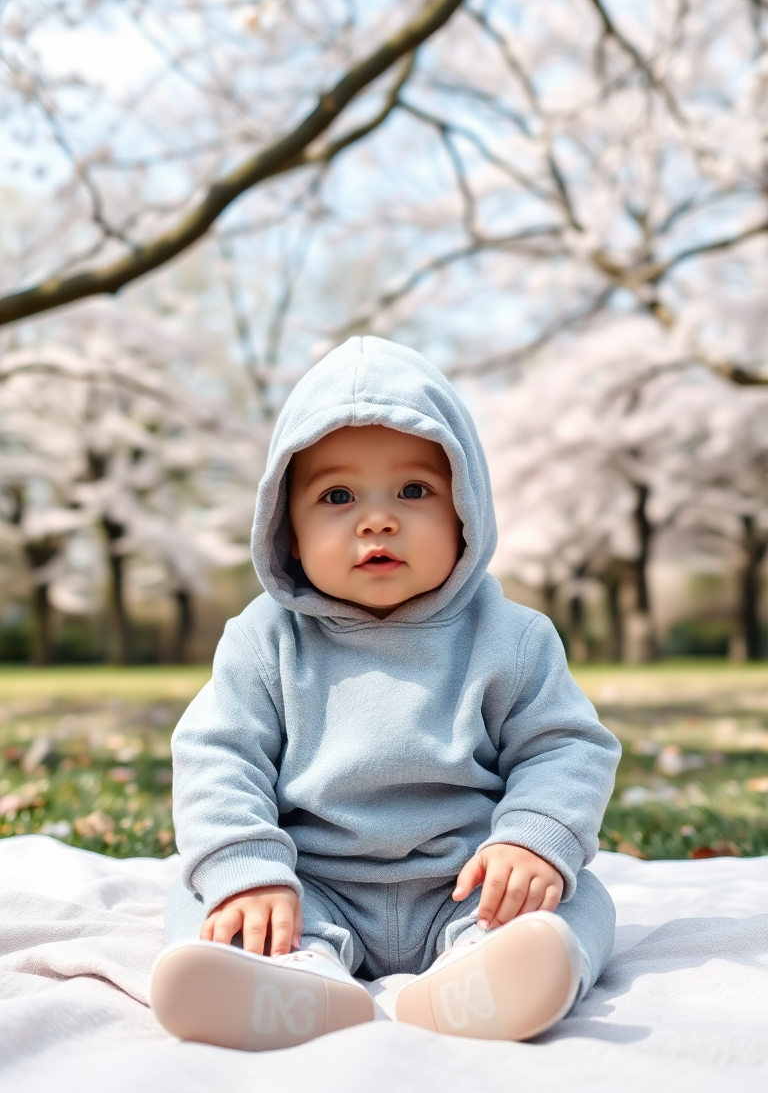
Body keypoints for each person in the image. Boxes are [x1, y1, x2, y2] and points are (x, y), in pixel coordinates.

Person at [150, 337, 620, 1051]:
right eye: (337, 496)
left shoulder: (512, 638)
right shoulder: (264, 641)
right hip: (308, 884)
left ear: (466, 510)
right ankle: (290, 978)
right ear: (288, 529)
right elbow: (218, 757)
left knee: (578, 898)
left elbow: (567, 747)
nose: (378, 519)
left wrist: (533, 840)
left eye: (414, 491)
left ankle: (487, 975)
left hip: (469, 881)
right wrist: (248, 873)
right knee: (203, 897)